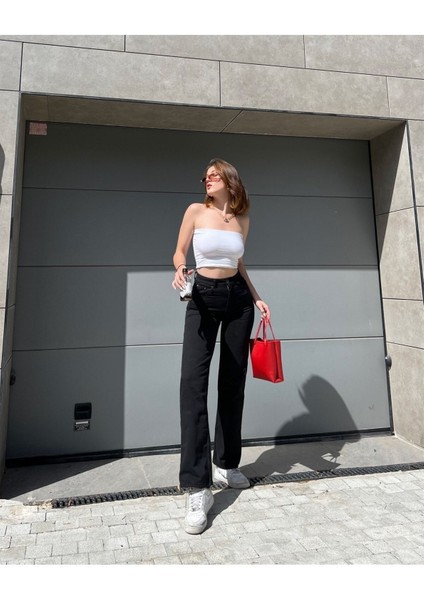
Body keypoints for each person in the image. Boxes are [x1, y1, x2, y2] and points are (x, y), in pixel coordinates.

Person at [172, 158, 270, 535]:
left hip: (239, 300)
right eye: (206, 177)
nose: (207, 180)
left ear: (230, 180)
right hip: (202, 296)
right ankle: (197, 487)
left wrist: (256, 296)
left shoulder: (242, 219)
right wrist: (179, 269)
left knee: (232, 383)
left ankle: (226, 464)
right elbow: (179, 252)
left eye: (214, 175)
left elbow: (239, 263)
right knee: (192, 385)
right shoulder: (196, 211)